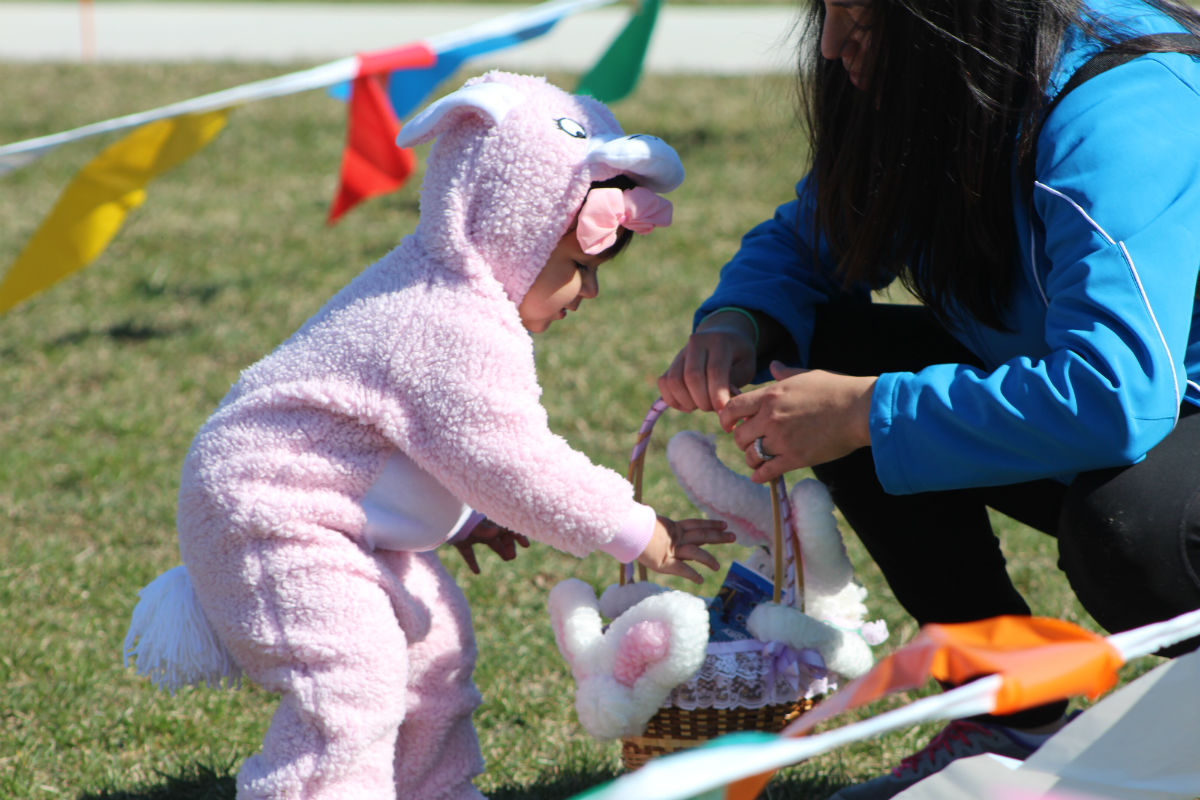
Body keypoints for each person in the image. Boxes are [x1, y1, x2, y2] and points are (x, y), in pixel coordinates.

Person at [658, 0, 1200, 797]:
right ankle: (1012, 712)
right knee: (830, 350)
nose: (834, 45)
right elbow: (813, 241)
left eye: (860, 19)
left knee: (1131, 527)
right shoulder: (948, 90)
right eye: (827, 11)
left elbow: (1113, 396)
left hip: (1150, 412)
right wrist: (743, 319)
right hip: (1142, 410)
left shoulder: (1119, 111)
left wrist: (862, 412)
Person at [156, 71, 731, 800]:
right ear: (507, 229)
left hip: (325, 510)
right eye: (577, 268)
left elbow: (416, 438)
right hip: (263, 510)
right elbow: (513, 461)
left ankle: (432, 788)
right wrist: (632, 528)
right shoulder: (448, 316)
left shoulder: (455, 298)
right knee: (351, 677)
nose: (589, 291)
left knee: (434, 643)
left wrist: (466, 516)